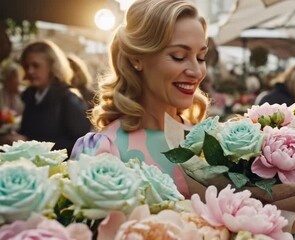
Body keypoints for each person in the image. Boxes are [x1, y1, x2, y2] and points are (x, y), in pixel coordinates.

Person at [71, 0, 209, 197]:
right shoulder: (103, 150)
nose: (197, 71)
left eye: (201, 57)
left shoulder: (208, 142)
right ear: (137, 58)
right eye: (179, 56)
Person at [19, 40, 91, 154]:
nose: (30, 71)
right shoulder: (29, 97)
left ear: (52, 66)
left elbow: (82, 144)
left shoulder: (69, 98)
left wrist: (29, 142)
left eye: (36, 65)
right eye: (26, 66)